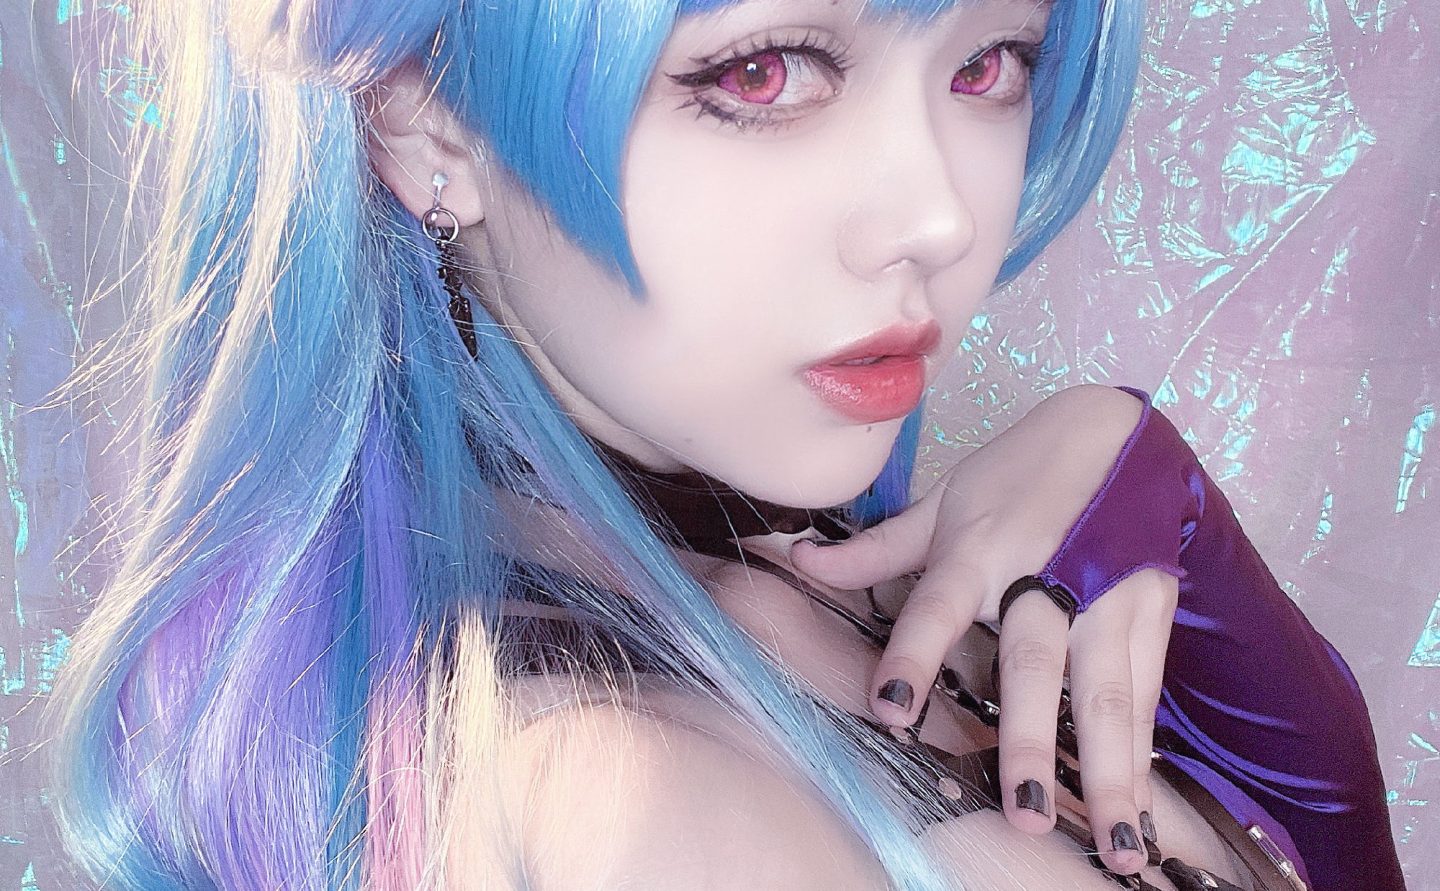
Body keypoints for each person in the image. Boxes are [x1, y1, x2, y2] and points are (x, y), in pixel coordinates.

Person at [44, 0, 1403, 888]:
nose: (938, 216)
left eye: (987, 63)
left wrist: (1185, 549)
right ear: (423, 118)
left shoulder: (795, 581)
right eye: (765, 71)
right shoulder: (629, 800)